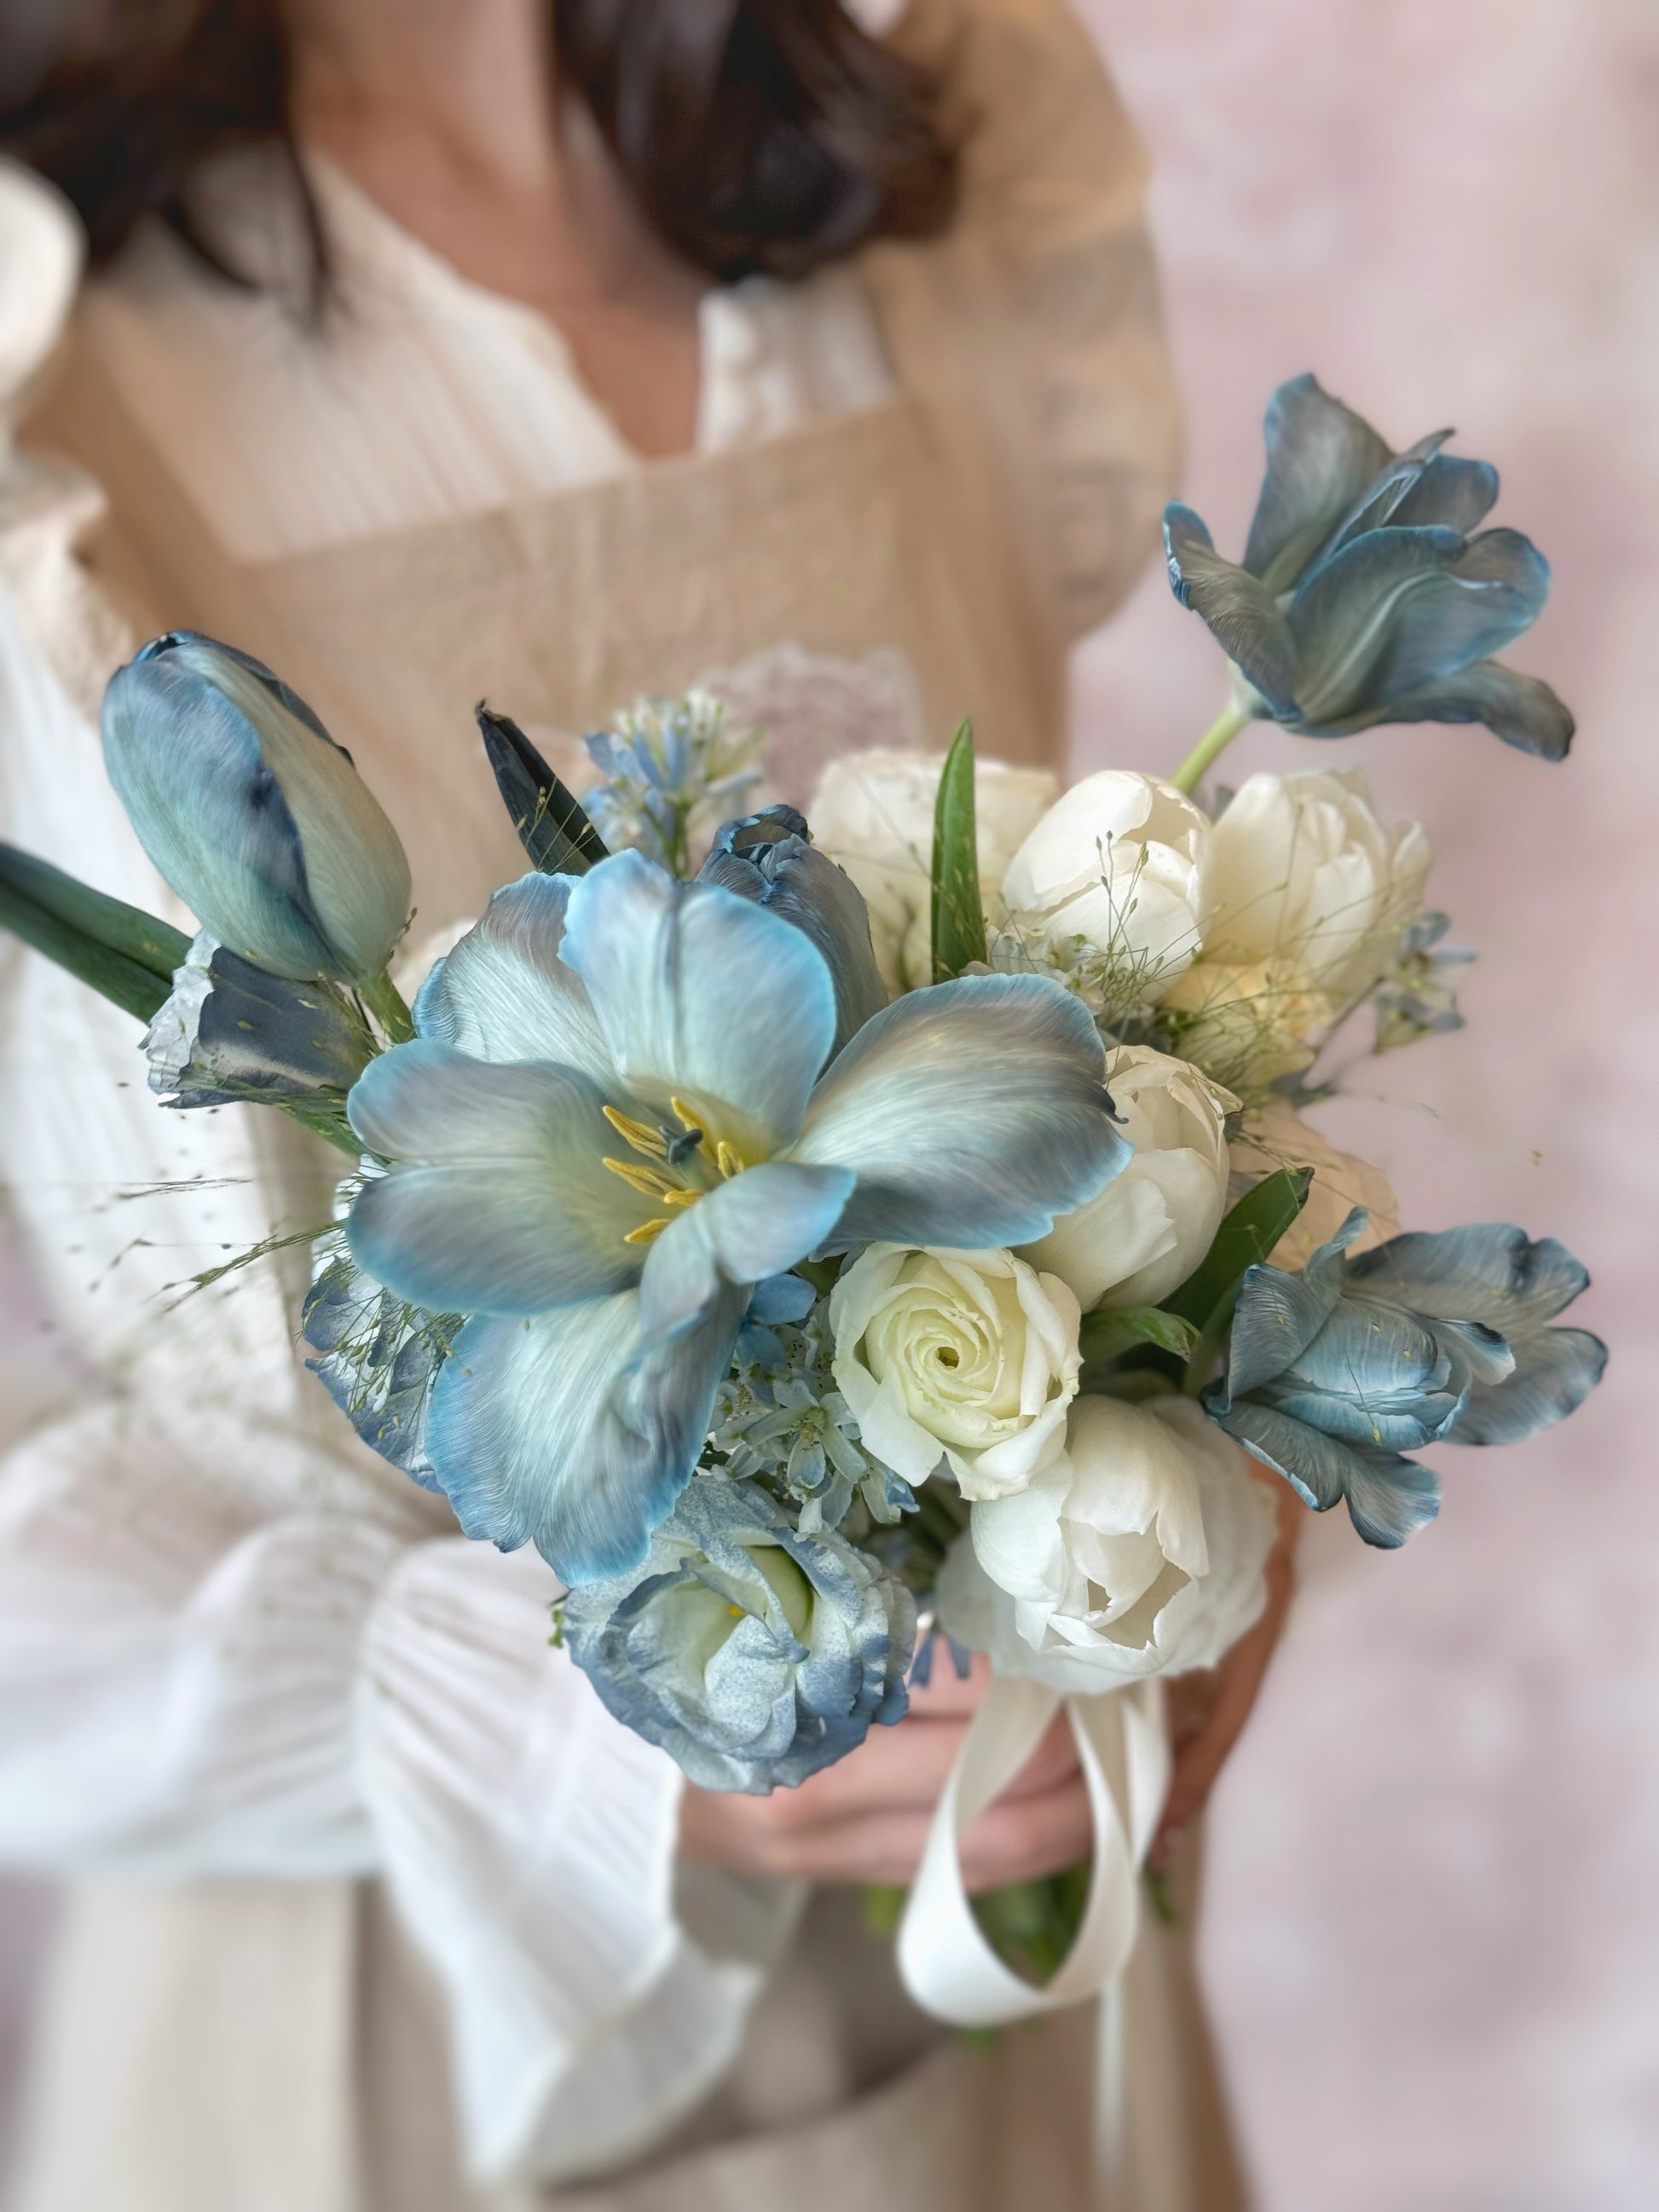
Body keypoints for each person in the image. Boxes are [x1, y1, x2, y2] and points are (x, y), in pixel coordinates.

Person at [0, 3, 1290, 2204]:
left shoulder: (913, 180)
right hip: (368, 2064)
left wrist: (1178, 1508)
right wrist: (558, 1736)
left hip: (1008, 2024)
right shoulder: (42, 349)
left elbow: (1086, 1061)